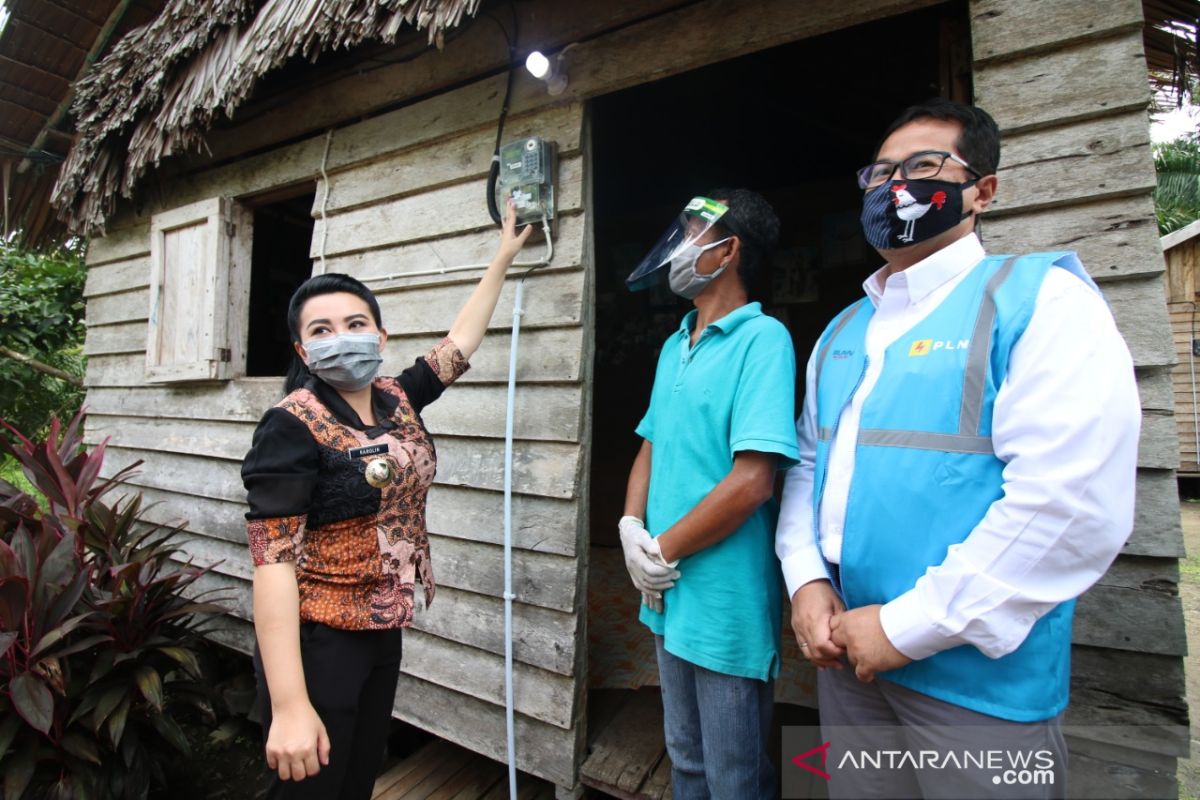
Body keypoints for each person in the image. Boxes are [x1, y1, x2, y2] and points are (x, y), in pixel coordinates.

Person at [776, 98, 1141, 798]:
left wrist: (909, 626)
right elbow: (809, 468)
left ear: (983, 190)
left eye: (922, 166)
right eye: (880, 174)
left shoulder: (1041, 301)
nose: (895, 187)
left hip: (977, 685)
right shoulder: (842, 330)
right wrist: (806, 580)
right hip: (848, 659)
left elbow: (1071, 505)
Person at [241, 201, 532, 799]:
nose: (341, 340)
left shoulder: (398, 397)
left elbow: (459, 343)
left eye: (354, 324)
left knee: (357, 778)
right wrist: (290, 704)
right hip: (318, 638)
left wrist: (501, 257)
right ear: (303, 352)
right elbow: (272, 563)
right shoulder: (290, 424)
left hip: (383, 625)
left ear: (380, 334)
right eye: (320, 331)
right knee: (311, 790)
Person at [620, 189, 800, 799]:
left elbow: (753, 479)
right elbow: (651, 443)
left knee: (734, 773)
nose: (677, 248)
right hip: (667, 594)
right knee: (687, 759)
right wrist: (628, 526)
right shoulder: (676, 343)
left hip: (724, 596)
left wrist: (662, 549)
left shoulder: (763, 339)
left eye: (692, 234)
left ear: (728, 251)